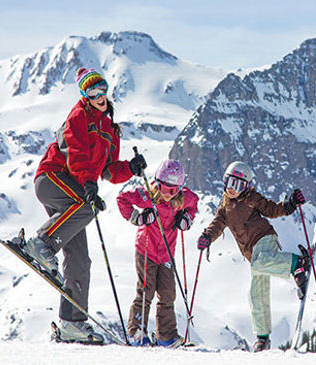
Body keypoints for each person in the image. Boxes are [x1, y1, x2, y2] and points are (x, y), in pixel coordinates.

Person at [15, 67, 147, 344]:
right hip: (53, 177)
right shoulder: (78, 117)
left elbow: (110, 171)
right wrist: (88, 185)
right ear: (84, 95)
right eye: (91, 92)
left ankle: (71, 323)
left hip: (75, 190)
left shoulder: (110, 130)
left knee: (79, 259)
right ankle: (41, 243)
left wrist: (131, 169)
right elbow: (76, 154)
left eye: (101, 89)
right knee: (87, 208)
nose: (99, 96)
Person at [196, 161, 309, 352]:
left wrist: (290, 204)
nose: (232, 188)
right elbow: (216, 225)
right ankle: (263, 338)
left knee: (259, 264)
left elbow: (273, 210)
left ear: (246, 187)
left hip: (264, 239)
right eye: (229, 182)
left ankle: (298, 263)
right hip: (252, 253)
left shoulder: (252, 198)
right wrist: (207, 236)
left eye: (238, 185)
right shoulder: (225, 208)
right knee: (256, 294)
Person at [117, 159, 198, 348]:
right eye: (165, 188)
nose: (169, 194)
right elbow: (122, 200)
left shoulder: (182, 198)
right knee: (146, 291)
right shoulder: (147, 196)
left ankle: (166, 336)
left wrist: (186, 217)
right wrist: (138, 218)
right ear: (157, 183)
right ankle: (136, 332)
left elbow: (194, 203)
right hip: (146, 250)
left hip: (167, 255)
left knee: (168, 294)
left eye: (174, 190)